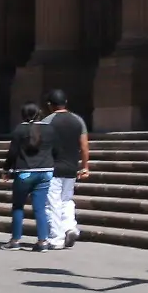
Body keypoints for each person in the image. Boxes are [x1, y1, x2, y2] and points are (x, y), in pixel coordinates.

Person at [0, 103, 54, 250]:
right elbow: (55, 149)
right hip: (46, 171)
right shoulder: (49, 129)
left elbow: (12, 152)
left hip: (25, 172)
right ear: (39, 113)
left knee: (18, 207)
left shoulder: (20, 129)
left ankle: (15, 240)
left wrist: (6, 169)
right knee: (40, 208)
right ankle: (43, 242)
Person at [42, 90, 90, 250]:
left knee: (52, 204)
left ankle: (56, 238)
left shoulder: (48, 121)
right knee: (67, 200)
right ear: (66, 102)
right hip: (71, 168)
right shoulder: (78, 120)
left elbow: (42, 146)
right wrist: (85, 166)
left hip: (53, 167)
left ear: (50, 105)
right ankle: (70, 227)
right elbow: (84, 146)